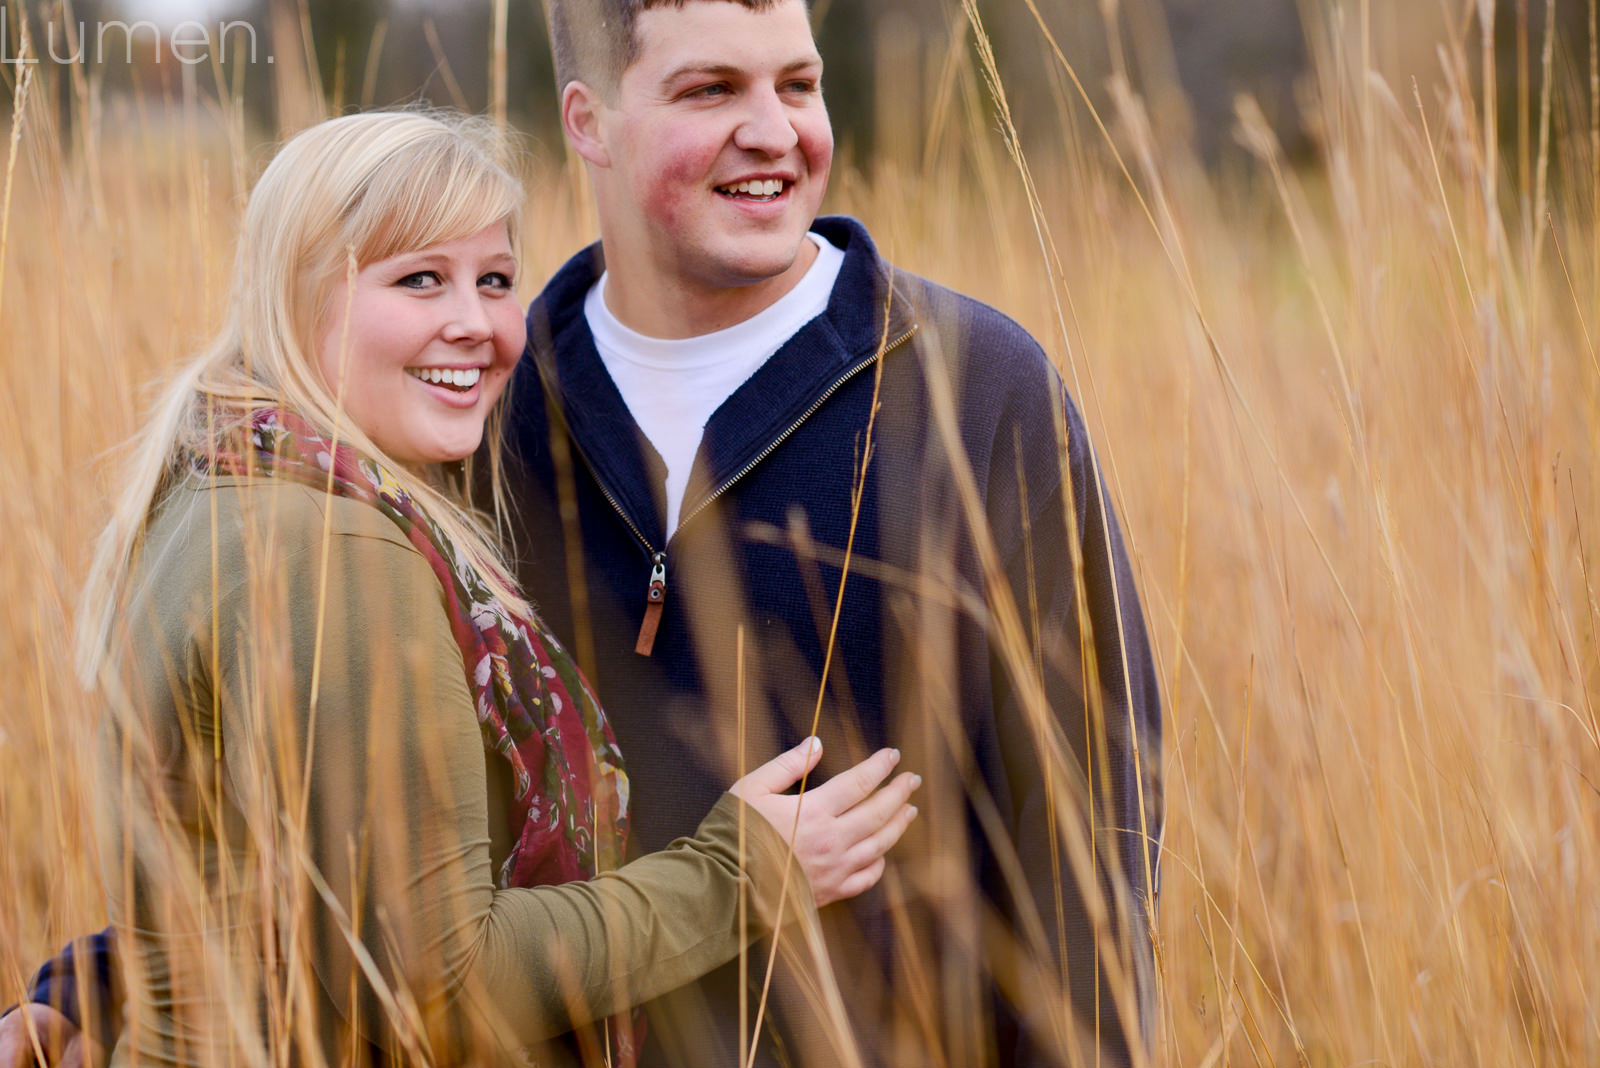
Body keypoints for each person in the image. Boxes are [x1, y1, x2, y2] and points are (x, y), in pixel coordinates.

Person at [6, 0, 1164, 1064]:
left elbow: (1088, 825)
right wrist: (106, 981)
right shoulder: (472, 416)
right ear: (591, 120)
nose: (773, 131)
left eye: (798, 85)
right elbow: (345, 840)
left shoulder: (967, 388)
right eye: (711, 91)